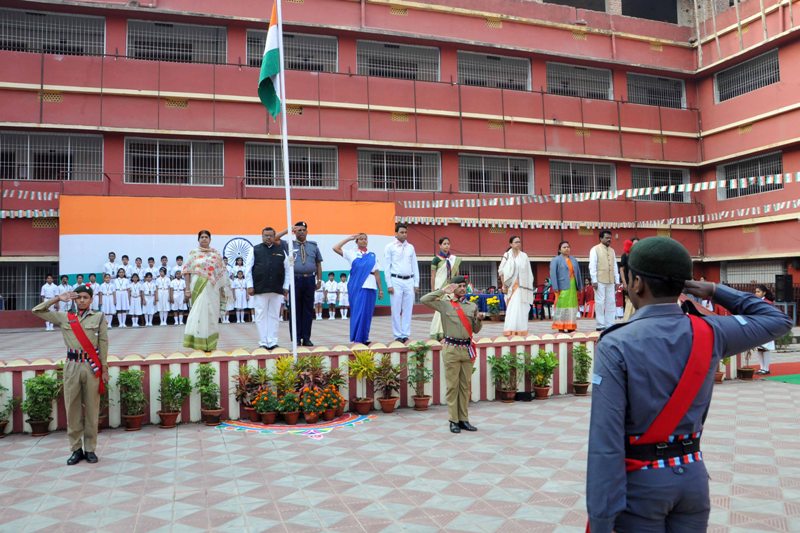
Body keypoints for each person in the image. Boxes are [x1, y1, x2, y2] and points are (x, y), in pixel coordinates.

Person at [586, 237, 792, 532]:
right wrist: (715, 290)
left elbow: (605, 442)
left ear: (637, 283)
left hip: (641, 485)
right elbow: (777, 319)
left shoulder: (616, 343)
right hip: (692, 479)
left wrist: (601, 519)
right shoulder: (711, 331)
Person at [32, 285, 108, 465]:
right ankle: (76, 449)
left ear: (91, 300)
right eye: (78, 297)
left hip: (91, 367)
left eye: (85, 297)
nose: (82, 300)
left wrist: (104, 369)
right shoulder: (65, 317)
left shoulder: (98, 317)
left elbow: (103, 343)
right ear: (74, 299)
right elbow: (37, 310)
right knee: (72, 409)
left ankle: (90, 449)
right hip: (72, 366)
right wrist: (58, 298)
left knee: (92, 409)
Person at [420, 276, 483, 434]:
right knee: (452, 386)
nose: (462, 288)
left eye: (464, 286)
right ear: (453, 287)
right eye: (458, 286)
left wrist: (479, 320)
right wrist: (443, 290)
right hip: (451, 349)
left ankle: (464, 420)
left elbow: (475, 330)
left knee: (464, 386)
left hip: (466, 349)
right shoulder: (444, 304)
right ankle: (453, 420)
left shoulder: (472, 306)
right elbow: (424, 299)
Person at [182, 230, 232, 351]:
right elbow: (186, 271)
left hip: (212, 289)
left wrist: (223, 290)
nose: (204, 239)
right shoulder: (193, 254)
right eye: (202, 237)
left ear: (210, 239)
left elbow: (222, 274)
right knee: (198, 313)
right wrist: (187, 289)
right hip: (197, 286)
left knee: (211, 314)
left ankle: (210, 344)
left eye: (206, 237)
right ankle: (198, 343)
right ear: (198, 239)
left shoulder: (216, 255)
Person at [333, 233, 384, 345]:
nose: (364, 240)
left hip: (371, 286)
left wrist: (381, 289)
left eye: (365, 239)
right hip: (358, 286)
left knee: (367, 314)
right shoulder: (351, 253)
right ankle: (357, 338)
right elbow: (335, 248)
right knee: (359, 312)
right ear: (356, 241)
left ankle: (364, 337)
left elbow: (377, 273)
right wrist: (349, 238)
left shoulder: (372, 255)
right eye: (361, 239)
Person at [245, 226, 290, 350]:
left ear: (274, 236)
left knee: (274, 315)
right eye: (265, 235)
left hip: (277, 288)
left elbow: (287, 270)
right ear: (262, 236)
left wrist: (286, 286)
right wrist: (250, 285)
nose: (268, 238)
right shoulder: (255, 249)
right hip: (260, 288)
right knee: (260, 315)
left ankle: (272, 341)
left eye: (270, 235)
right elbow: (248, 269)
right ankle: (263, 342)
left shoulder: (281, 250)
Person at [384, 223, 419, 343]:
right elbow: (387, 266)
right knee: (396, 308)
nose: (404, 234)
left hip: (409, 280)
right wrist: (389, 284)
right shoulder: (390, 247)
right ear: (396, 233)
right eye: (402, 232)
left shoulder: (411, 247)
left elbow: (415, 265)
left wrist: (416, 283)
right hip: (396, 280)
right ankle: (397, 335)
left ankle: (405, 334)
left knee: (408, 309)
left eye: (405, 232)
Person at [290, 221, 323, 347]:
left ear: (307, 232)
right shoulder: (289, 245)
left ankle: (306, 337)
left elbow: (318, 264)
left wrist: (319, 280)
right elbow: (276, 239)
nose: (302, 232)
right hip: (295, 279)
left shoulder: (313, 246)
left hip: (309, 280)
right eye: (299, 230)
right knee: (295, 310)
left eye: (304, 230)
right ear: (294, 232)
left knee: (308, 310)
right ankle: (296, 338)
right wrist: (288, 229)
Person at [499, 236, 534, 336]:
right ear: (511, 244)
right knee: (512, 308)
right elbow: (501, 271)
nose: (518, 244)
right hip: (510, 286)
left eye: (519, 242)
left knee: (521, 308)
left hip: (522, 286)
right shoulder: (507, 255)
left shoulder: (524, 256)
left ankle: (521, 329)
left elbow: (528, 272)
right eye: (516, 242)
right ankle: (510, 329)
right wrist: (504, 285)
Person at [430, 236, 461, 341]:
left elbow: (456, 274)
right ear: (440, 245)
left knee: (450, 309)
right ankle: (438, 332)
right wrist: (433, 291)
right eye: (444, 244)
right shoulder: (436, 259)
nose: (447, 246)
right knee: (440, 310)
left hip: (450, 288)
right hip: (440, 287)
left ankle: (449, 332)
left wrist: (457, 287)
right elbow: (433, 276)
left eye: (448, 244)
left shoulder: (453, 259)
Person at [589, 229, 620, 331]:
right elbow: (592, 265)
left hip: (610, 280)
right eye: (607, 238)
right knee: (600, 302)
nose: (609, 240)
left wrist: (617, 281)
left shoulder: (612, 251)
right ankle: (600, 324)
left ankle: (609, 323)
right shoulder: (595, 249)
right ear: (601, 238)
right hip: (599, 280)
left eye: (610, 238)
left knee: (611, 302)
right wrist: (594, 280)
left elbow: (615, 266)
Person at [550, 240, 583, 333]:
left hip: (572, 285)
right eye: (564, 247)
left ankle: (570, 326)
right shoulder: (556, 260)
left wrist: (580, 286)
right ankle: (560, 326)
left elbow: (578, 274)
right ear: (559, 250)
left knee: (572, 305)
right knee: (562, 305)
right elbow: (553, 274)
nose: (566, 249)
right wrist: (555, 287)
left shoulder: (574, 260)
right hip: (562, 286)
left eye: (568, 247)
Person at [754, 284, 776, 375]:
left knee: (765, 348)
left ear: (764, 293)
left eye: (758, 292)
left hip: (766, 327)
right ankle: (761, 367)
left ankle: (766, 368)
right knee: (759, 348)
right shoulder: (755, 302)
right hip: (757, 326)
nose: (756, 293)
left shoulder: (768, 303)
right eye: (756, 292)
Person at [619, 238, 639, 321]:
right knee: (629, 302)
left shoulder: (639, 256)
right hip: (628, 283)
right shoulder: (625, 255)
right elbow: (621, 269)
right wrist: (624, 283)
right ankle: (627, 321)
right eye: (634, 244)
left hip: (638, 283)